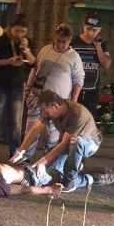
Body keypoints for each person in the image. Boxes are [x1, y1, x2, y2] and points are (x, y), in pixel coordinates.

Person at [11, 90, 114, 192]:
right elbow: (35, 129)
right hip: (68, 144)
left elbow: (64, 143)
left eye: (46, 111)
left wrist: (43, 161)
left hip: (89, 143)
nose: (44, 114)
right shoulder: (50, 110)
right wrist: (21, 151)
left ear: (55, 106)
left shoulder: (77, 114)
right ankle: (80, 172)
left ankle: (74, 179)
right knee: (47, 176)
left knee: (75, 143)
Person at [24, 24, 84, 158]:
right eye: (58, 41)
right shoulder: (45, 50)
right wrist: (28, 91)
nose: (61, 45)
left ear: (69, 41)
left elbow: (78, 81)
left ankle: (48, 163)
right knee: (31, 131)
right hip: (38, 97)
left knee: (53, 134)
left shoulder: (74, 57)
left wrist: (73, 102)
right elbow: (35, 70)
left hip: (58, 102)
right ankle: (25, 159)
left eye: (64, 42)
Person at [0, 13, 35, 161]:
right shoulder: (0, 41)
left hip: (17, 86)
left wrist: (27, 51)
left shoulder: (26, 42)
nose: (19, 34)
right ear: (10, 28)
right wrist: (8, 61)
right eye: (17, 31)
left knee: (16, 125)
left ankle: (14, 156)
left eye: (23, 32)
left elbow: (33, 62)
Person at [71, 13, 111, 117]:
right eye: (88, 29)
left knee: (87, 121)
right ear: (83, 27)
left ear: (99, 30)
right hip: (73, 88)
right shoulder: (73, 41)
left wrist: (98, 47)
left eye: (94, 30)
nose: (90, 33)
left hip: (91, 92)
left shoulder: (102, 44)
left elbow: (106, 64)